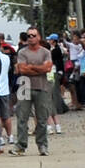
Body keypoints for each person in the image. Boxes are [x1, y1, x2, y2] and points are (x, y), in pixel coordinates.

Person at [10, 28, 54, 156]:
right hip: (24, 86)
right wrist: (39, 69)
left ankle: (42, 145)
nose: (31, 38)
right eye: (28, 35)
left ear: (38, 37)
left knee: (42, 118)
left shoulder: (45, 52)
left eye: (33, 35)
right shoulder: (22, 52)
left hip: (42, 87)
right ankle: (21, 146)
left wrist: (32, 67)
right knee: (22, 117)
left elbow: (48, 68)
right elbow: (23, 70)